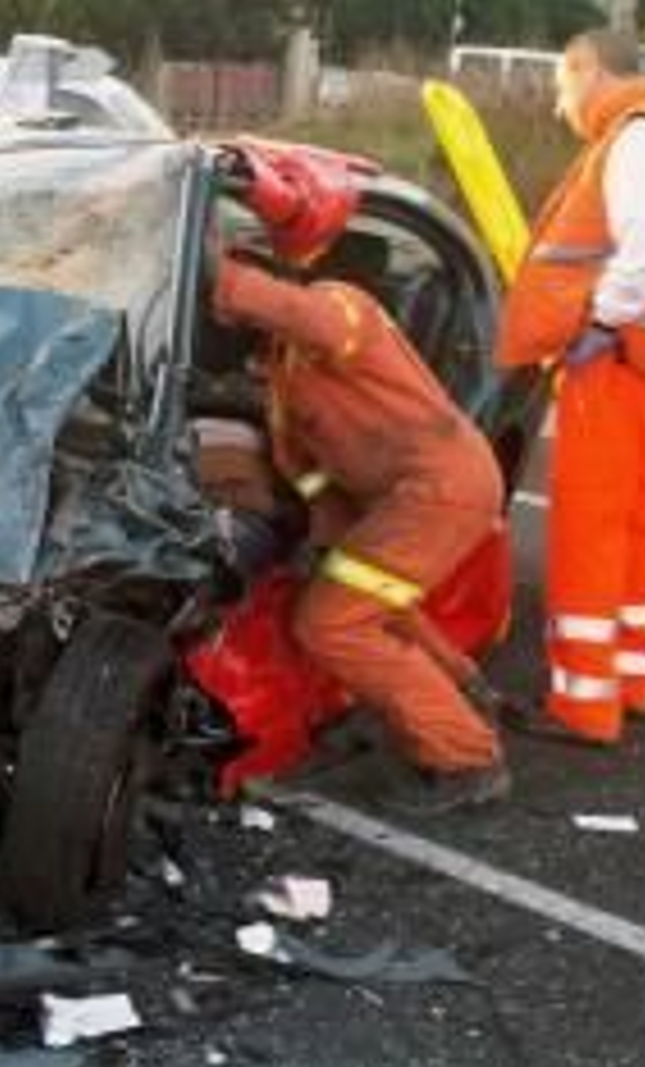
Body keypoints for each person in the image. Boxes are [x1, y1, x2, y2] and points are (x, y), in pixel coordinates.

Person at [207, 232, 511, 817]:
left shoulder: (340, 305)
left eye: (233, 302)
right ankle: (465, 693)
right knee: (375, 605)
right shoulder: (281, 379)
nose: (225, 316)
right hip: (402, 499)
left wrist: (218, 279)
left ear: (268, 284)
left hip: (441, 488)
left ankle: (465, 758)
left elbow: (312, 320)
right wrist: (324, 540)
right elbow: (315, 476)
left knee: (329, 624)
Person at [496, 29, 645, 743]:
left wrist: (602, 317)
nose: (562, 103)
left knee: (590, 526)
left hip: (615, 358)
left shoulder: (635, 138)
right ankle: (630, 679)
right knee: (635, 525)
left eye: (563, 86)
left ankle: (584, 702)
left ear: (589, 70)